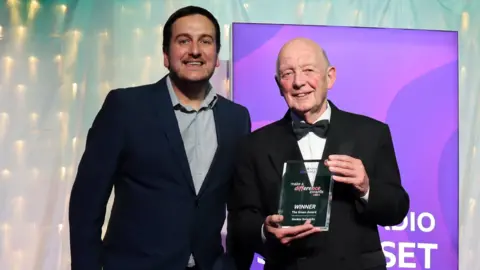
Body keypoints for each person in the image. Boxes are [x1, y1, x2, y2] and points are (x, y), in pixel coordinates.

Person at [69, 6, 251, 270]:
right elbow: (86, 203)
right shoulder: (125, 107)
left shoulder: (236, 118)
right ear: (166, 55)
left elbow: (239, 205)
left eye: (205, 41)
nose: (195, 51)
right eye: (183, 41)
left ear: (216, 54)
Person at [227, 37, 410, 270]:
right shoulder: (253, 146)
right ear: (278, 84)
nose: (298, 82)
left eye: (308, 70)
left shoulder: (372, 134)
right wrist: (264, 230)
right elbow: (241, 219)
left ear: (330, 76)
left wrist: (366, 187)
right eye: (287, 74)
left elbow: (397, 209)